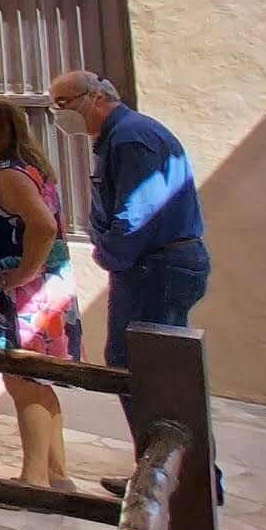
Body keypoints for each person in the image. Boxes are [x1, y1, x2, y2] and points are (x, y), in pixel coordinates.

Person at [48, 70, 213, 498]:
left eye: (63, 103)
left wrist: (110, 254)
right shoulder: (122, 138)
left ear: (96, 98)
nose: (58, 114)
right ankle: (172, 472)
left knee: (143, 367)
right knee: (153, 366)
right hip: (154, 265)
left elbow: (138, 212)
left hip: (154, 268)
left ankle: (173, 476)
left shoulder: (131, 138)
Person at [0, 96, 82, 491]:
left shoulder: (11, 175)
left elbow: (42, 225)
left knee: (23, 382)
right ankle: (56, 473)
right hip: (32, 295)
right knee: (38, 382)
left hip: (19, 300)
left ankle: (34, 479)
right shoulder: (23, 171)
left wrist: (23, 273)